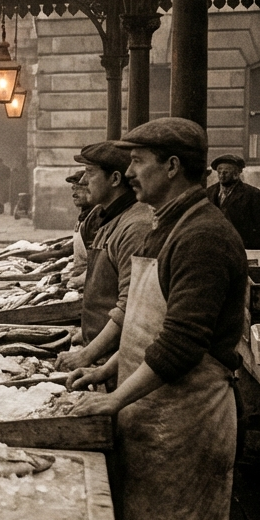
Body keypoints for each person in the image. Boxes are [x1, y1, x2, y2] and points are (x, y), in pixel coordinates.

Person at [69, 118, 245, 520]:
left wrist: (113, 401)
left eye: (138, 161)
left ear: (171, 167)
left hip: (188, 422)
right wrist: (105, 368)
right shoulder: (164, 225)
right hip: (154, 418)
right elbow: (142, 320)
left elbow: (180, 344)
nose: (129, 172)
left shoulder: (203, 235)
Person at [56, 142, 153, 371]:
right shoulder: (109, 218)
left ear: (115, 179)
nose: (83, 181)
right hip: (103, 356)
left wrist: (88, 355)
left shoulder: (136, 226)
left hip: (120, 362)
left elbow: (130, 307)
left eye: (90, 172)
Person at [207, 154, 260, 249]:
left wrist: (250, 249)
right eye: (219, 172)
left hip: (243, 249)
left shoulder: (253, 195)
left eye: (226, 172)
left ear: (236, 174)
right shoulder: (209, 193)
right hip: (215, 249)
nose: (222, 175)